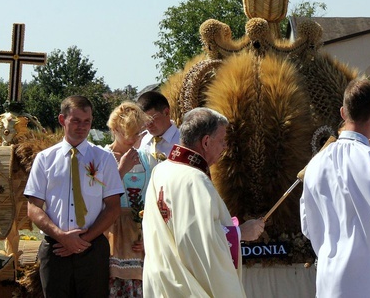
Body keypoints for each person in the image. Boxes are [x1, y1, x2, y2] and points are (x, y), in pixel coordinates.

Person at [301, 79, 370, 298]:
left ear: (343, 112)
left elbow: (308, 226)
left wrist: (331, 250)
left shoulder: (315, 165)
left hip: (330, 277)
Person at [142, 107, 265, 297]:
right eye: (222, 141)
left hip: (163, 282)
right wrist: (241, 232)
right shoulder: (194, 180)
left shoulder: (161, 170)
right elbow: (199, 240)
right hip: (187, 287)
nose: (224, 147)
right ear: (206, 142)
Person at [25, 96, 124, 297]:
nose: (82, 126)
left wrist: (82, 240)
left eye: (87, 121)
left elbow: (113, 207)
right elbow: (33, 208)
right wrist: (61, 236)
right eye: (76, 120)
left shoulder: (104, 159)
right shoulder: (45, 159)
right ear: (62, 120)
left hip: (92, 248)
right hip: (55, 249)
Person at [103, 102, 154, 298]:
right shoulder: (101, 157)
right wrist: (121, 170)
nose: (135, 139)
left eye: (139, 133)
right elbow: (94, 198)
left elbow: (156, 202)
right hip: (110, 230)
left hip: (139, 233)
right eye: (130, 133)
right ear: (115, 129)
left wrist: (150, 236)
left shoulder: (149, 159)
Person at [137, 91, 180, 162]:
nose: (148, 125)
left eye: (151, 119)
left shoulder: (182, 142)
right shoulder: (143, 141)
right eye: (144, 120)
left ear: (166, 112)